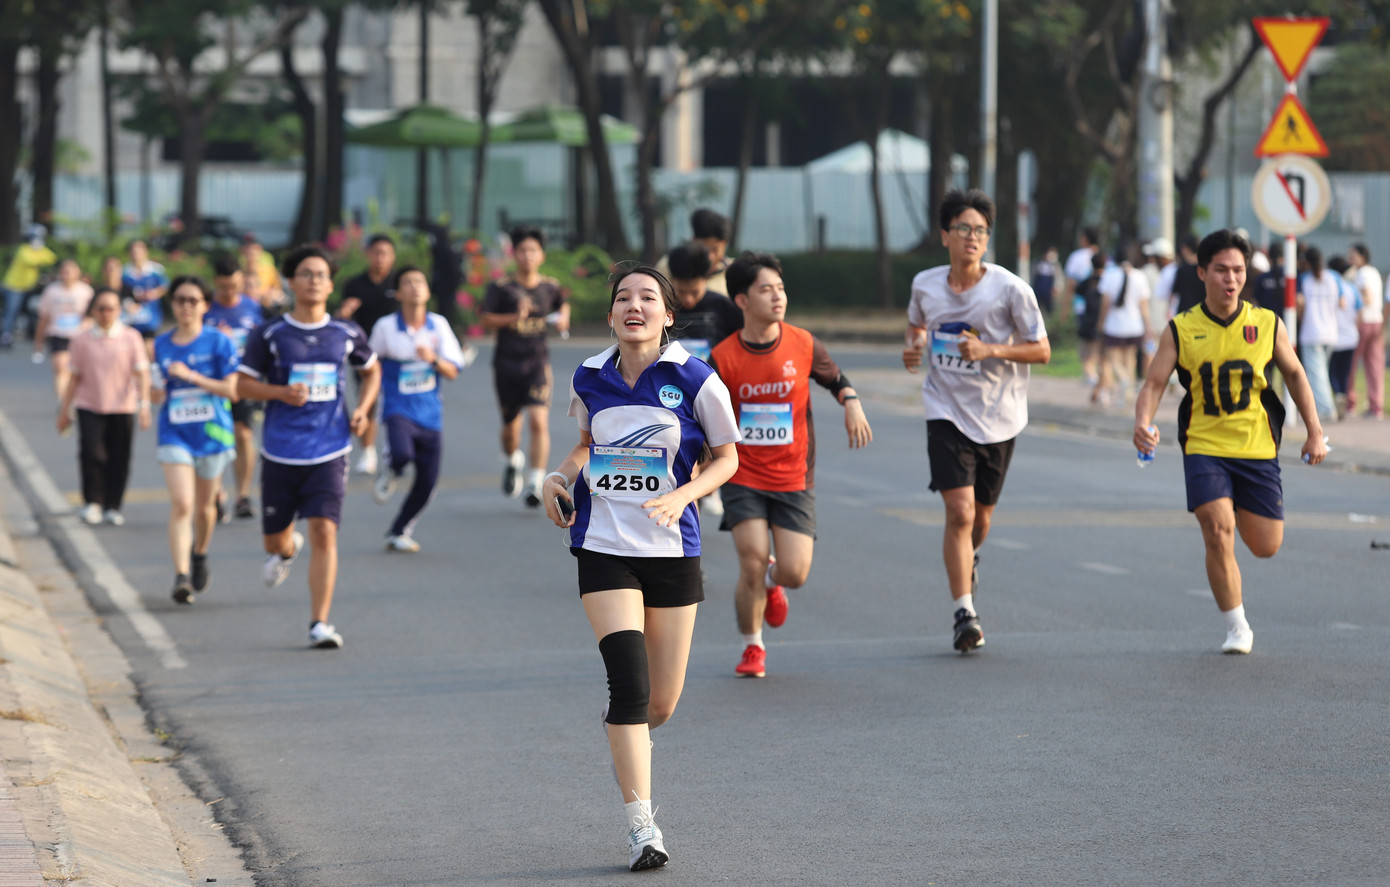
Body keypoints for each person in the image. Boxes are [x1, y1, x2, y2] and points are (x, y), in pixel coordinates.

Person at [540, 264, 739, 872]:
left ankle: (628, 733)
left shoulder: (696, 381)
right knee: (628, 685)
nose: (635, 305)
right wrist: (558, 476)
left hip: (672, 550)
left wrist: (685, 495)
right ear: (610, 315)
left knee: (660, 704)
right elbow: (584, 445)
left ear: (668, 314)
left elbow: (727, 458)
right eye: (623, 297)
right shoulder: (589, 375)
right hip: (603, 545)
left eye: (648, 297)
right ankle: (642, 828)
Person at [1133, 229, 1328, 654]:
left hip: (1256, 448)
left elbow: (1295, 373)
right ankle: (1236, 625)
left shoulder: (1265, 323)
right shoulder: (1182, 329)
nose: (1231, 279)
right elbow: (1152, 383)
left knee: (1265, 546)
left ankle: (1236, 500)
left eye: (1238, 270)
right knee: (1218, 529)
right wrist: (1142, 422)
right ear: (1202, 272)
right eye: (1221, 270)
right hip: (1204, 445)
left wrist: (1314, 430)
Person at [709, 251, 872, 678]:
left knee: (795, 572)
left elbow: (836, 378)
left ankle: (772, 582)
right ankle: (752, 646)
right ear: (742, 300)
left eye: (780, 288)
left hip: (793, 474)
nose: (778, 296)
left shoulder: (802, 343)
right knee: (751, 558)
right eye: (766, 289)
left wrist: (851, 403)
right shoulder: (723, 357)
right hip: (742, 473)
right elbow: (703, 417)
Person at [902, 189, 1050, 654]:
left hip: (1000, 414)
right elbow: (917, 327)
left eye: (981, 231)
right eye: (963, 228)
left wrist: (990, 349)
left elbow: (1042, 350)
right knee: (960, 512)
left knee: (980, 518)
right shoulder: (925, 284)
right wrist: (913, 347)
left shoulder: (1010, 288)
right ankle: (964, 612)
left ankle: (971, 557)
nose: (972, 237)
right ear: (945, 235)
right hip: (945, 408)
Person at [236, 246, 380, 649]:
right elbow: (243, 385)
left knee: (324, 531)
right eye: (305, 273)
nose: (314, 280)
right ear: (291, 282)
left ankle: (320, 623)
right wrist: (279, 392)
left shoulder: (346, 333)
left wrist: (364, 411)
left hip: (330, 448)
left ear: (330, 284)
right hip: (281, 450)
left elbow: (371, 372)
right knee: (276, 540)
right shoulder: (269, 333)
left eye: (320, 274)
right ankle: (283, 552)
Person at [367, 265, 469, 552]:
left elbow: (453, 370)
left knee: (428, 481)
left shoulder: (438, 325)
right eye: (407, 282)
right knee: (401, 453)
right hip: (397, 407)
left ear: (427, 290)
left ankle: (399, 530)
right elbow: (370, 365)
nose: (414, 286)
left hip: (430, 413)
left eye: (419, 281)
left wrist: (433, 359)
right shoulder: (385, 327)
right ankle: (391, 469)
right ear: (397, 293)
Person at [151, 277, 240, 604]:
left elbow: (232, 390)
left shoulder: (219, 342)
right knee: (183, 503)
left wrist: (192, 377)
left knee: (204, 509)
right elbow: (155, 386)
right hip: (175, 432)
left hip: (213, 433)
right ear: (172, 304)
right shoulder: (161, 344)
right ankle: (181, 575)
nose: (186, 306)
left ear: (205, 305)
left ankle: (199, 552)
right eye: (179, 300)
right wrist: (155, 392)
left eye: (193, 300)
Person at [479, 225, 570, 507]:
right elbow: (485, 319)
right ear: (514, 254)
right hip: (507, 365)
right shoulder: (502, 288)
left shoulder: (550, 286)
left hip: (537, 364)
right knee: (510, 429)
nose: (528, 256)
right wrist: (512, 317)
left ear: (541, 255)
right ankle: (512, 458)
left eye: (533, 250)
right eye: (522, 251)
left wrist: (564, 318)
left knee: (538, 421)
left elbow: (562, 307)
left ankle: (535, 480)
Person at [56, 289, 151, 526]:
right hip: (89, 405)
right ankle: (93, 502)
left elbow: (141, 374)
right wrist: (65, 411)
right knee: (91, 453)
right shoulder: (82, 339)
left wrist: (145, 405)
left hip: (123, 406)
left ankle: (113, 505)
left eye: (111, 308)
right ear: (93, 311)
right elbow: (74, 377)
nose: (106, 313)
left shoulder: (131, 337)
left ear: (119, 311)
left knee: (119, 457)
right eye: (101, 308)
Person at [204, 256, 265, 519]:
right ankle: (216, 493)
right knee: (215, 437)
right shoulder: (206, 311)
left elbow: (262, 346)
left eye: (235, 286)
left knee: (244, 435)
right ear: (216, 284)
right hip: (213, 384)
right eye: (224, 287)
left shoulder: (253, 308)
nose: (230, 292)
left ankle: (243, 495)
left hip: (243, 382)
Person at [337, 234, 398, 475]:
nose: (381, 258)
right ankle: (369, 451)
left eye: (386, 253)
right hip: (364, 353)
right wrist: (344, 312)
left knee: (395, 405)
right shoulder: (355, 285)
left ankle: (394, 449)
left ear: (392, 257)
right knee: (368, 402)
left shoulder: (399, 284)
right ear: (368, 254)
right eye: (377, 252)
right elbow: (342, 319)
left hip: (395, 353)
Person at [1092, 243, 1153, 407]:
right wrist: (1148, 326)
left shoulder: (1109, 276)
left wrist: (1100, 323)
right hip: (1135, 326)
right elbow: (1144, 307)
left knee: (1114, 360)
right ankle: (1128, 396)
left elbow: (1104, 304)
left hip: (1115, 326)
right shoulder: (1140, 276)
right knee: (1130, 360)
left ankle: (1124, 380)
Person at [665, 241, 743, 364]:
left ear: (707, 279)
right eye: (681, 291)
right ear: (671, 280)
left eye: (695, 292)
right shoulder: (663, 308)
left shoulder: (723, 306)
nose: (688, 299)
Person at [33, 258, 94, 401]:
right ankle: (63, 401)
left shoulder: (86, 291)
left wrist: (87, 325)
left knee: (79, 371)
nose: (66, 274)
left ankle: (78, 399)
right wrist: (39, 341)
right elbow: (44, 317)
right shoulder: (51, 291)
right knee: (61, 368)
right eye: (64, 271)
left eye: (70, 271)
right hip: (58, 334)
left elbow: (93, 315)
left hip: (80, 335)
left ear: (77, 273)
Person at [1296, 246, 1340, 422]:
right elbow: (1342, 301)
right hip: (1330, 331)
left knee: (1316, 374)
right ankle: (1328, 402)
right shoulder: (1333, 277)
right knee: (1322, 373)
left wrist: (1300, 318)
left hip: (1312, 332)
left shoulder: (1303, 279)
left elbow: (1299, 303)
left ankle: (1327, 409)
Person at [1, 224, 57, 348]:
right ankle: (6, 336)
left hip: (29, 288)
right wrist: (39, 253)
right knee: (11, 312)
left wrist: (40, 251)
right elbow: (30, 260)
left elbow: (52, 258)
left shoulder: (40, 250)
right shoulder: (24, 249)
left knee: (34, 310)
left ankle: (30, 332)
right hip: (14, 287)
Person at [1346, 243, 1384, 418]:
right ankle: (1376, 407)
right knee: (1374, 365)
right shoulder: (1375, 272)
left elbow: (1366, 297)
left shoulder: (1361, 273)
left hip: (1364, 322)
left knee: (1351, 364)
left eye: (1353, 254)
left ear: (1362, 256)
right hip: (1377, 320)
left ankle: (1350, 404)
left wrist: (1357, 319)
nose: (1350, 257)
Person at [1327, 255, 1360, 419]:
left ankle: (1338, 394)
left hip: (1334, 337)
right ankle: (1343, 397)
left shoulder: (1330, 285)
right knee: (1346, 372)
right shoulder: (1352, 288)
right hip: (1351, 336)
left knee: (1332, 370)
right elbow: (1359, 310)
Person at [121, 240, 169, 347]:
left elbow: (165, 286)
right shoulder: (124, 272)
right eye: (134, 252)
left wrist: (154, 293)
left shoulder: (156, 270)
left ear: (146, 252)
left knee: (149, 345)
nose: (136, 255)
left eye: (139, 252)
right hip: (130, 317)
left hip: (151, 316)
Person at [1074, 254, 1106, 392]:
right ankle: (1103, 389)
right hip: (1104, 323)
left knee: (1086, 356)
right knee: (1102, 359)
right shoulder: (1108, 280)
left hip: (1088, 322)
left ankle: (1093, 380)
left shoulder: (1087, 281)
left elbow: (1077, 291)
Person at [1061, 226, 1100, 327]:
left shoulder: (1076, 257)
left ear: (1085, 239)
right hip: (1100, 306)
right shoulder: (1106, 258)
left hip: (1081, 306)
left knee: (1084, 341)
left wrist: (1065, 311)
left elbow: (1070, 285)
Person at [240, 234, 285, 312]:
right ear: (242, 251)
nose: (251, 252)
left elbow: (277, 289)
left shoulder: (269, 269)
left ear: (260, 250)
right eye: (248, 248)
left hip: (265, 303)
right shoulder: (237, 271)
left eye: (254, 249)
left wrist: (264, 294)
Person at [1168, 236, 1206, 318]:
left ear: (1186, 249)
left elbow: (1174, 293)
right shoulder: (1205, 269)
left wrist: (1169, 309)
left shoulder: (1181, 270)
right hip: (1202, 312)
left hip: (1184, 313)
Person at [1031, 246, 1058, 314]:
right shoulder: (1039, 265)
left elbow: (1057, 280)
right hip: (1039, 290)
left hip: (1048, 291)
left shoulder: (1054, 267)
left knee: (1049, 309)